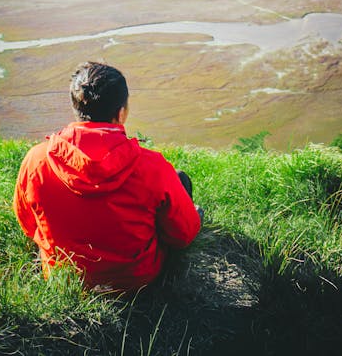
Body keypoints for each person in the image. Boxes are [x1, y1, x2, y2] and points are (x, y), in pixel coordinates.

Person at [13, 61, 202, 292]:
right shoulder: (152, 167)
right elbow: (183, 236)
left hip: (65, 278)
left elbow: (28, 223)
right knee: (180, 181)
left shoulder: (36, 160)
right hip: (137, 281)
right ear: (121, 113)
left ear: (76, 107)